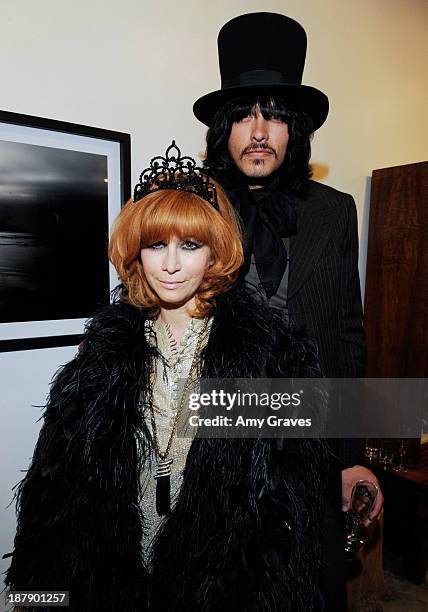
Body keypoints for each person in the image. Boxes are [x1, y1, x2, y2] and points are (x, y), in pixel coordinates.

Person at [5, 141, 331, 611]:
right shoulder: (102, 358)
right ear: (137, 252)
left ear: (215, 251)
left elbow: (280, 516)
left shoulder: (267, 359)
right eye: (157, 245)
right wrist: (38, 599)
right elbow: (55, 500)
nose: (172, 264)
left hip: (218, 586)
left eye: (191, 245)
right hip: (116, 580)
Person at [193, 12, 383, 610]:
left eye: (273, 114)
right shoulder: (190, 209)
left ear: (293, 130)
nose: (258, 130)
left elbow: (348, 340)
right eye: (244, 114)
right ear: (223, 129)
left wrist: (352, 458)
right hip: (218, 447)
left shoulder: (335, 210)